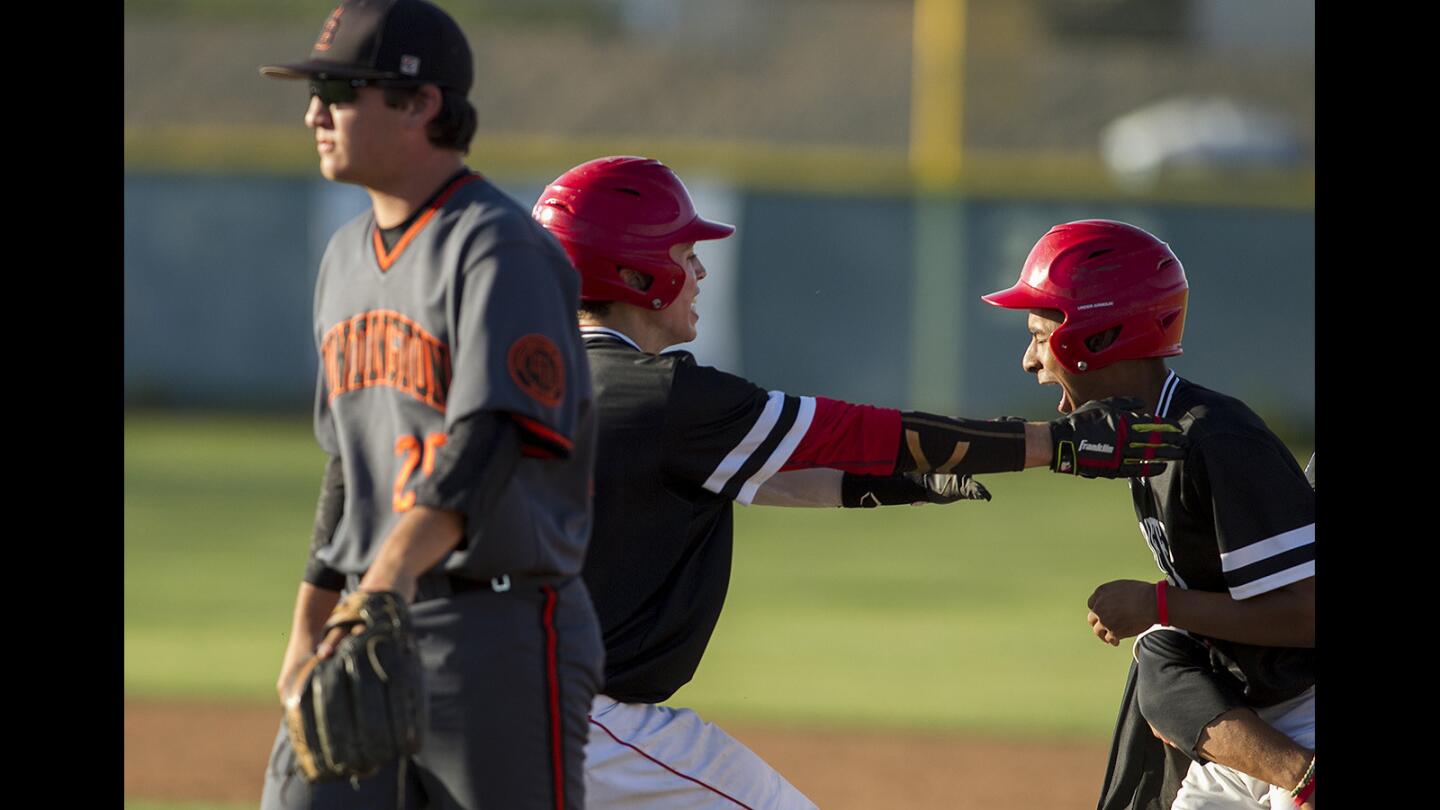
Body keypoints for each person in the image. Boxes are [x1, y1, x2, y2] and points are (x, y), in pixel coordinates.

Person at [531, 157, 1189, 809]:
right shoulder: (664, 398)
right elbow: (853, 432)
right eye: (685, 252)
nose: (698, 272)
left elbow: (780, 474)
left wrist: (916, 479)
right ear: (634, 271)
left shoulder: (523, 384)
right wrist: (1060, 445)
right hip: (585, 722)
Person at [255, 2, 603, 808]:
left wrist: (383, 582)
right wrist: (311, 620)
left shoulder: (499, 247)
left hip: (497, 632)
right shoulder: (343, 258)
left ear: (421, 104)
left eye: (340, 90)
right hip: (368, 618)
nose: (314, 113)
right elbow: (350, 461)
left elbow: (493, 438)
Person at [982, 220, 1316, 810]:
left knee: (1162, 641)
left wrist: (1157, 604)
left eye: (1039, 335)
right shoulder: (1149, 438)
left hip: (1304, 711)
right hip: (1248, 727)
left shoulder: (1216, 440)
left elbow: (1306, 615)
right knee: (1160, 658)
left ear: (1098, 334)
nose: (1029, 360)